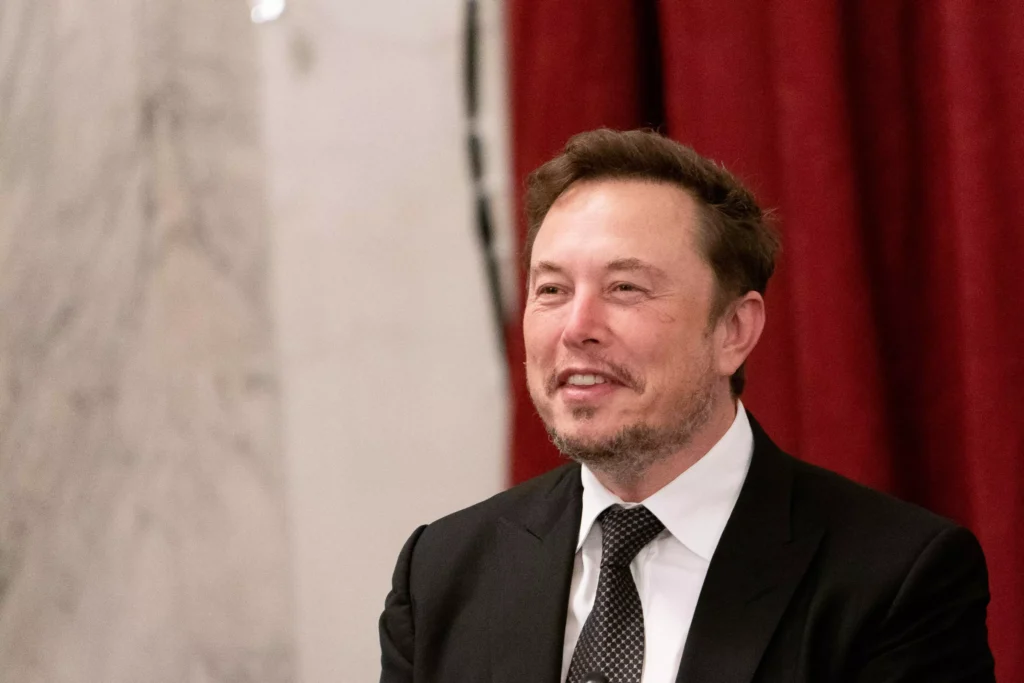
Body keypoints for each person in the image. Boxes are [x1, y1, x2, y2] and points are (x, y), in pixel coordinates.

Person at [378, 129, 995, 683]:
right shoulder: (441, 571)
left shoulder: (896, 580)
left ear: (734, 330)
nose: (577, 327)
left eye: (625, 287)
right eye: (552, 289)